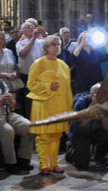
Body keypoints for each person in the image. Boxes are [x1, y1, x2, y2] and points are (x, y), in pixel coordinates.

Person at [27, 35, 73, 175]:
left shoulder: (63, 65)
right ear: (46, 47)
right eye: (53, 44)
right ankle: (43, 164)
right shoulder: (38, 63)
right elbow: (31, 84)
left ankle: (54, 163)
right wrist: (47, 86)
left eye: (58, 44)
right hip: (43, 104)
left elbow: (67, 88)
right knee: (43, 136)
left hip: (59, 105)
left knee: (56, 135)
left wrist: (69, 107)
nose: (56, 47)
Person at [65, 83, 108, 168]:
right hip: (79, 134)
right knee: (82, 164)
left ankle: (100, 156)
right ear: (91, 95)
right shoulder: (81, 103)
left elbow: (106, 127)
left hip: (93, 131)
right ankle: (71, 150)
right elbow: (82, 125)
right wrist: (92, 107)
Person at [16, 21, 45, 117]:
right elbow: (23, 53)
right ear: (22, 31)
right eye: (27, 27)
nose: (30, 28)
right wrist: (33, 38)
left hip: (40, 77)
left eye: (31, 26)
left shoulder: (41, 42)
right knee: (28, 102)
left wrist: (44, 33)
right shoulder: (20, 43)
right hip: (26, 76)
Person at [71, 29, 108, 94]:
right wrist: (82, 44)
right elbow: (73, 59)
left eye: (89, 38)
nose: (87, 40)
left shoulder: (95, 52)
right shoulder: (78, 53)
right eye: (85, 38)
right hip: (83, 84)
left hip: (96, 82)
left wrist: (104, 43)